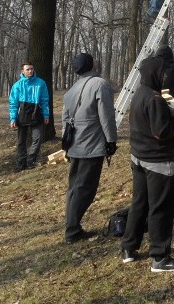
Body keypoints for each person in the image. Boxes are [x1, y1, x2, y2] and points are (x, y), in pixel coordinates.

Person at [120, 55, 174, 272]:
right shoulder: (154, 99)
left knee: (139, 203)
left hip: (139, 157)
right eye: (164, 73)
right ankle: (160, 258)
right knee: (161, 208)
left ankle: (128, 248)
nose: (166, 77)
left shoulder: (140, 93)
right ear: (156, 74)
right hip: (157, 161)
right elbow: (162, 131)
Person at [62, 53, 118, 244]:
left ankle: (73, 226)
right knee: (85, 189)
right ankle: (72, 231)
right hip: (91, 145)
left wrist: (66, 146)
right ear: (91, 64)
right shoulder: (100, 84)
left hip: (75, 145)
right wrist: (111, 140)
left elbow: (65, 120)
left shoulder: (72, 89)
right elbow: (107, 116)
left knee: (74, 188)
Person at [8, 62, 51, 171]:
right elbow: (13, 103)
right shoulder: (17, 85)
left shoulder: (41, 83)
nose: (30, 71)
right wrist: (13, 118)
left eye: (32, 69)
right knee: (21, 141)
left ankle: (31, 160)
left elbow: (45, 100)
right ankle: (21, 162)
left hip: (37, 114)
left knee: (38, 138)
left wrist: (46, 114)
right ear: (22, 71)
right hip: (22, 115)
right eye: (27, 69)